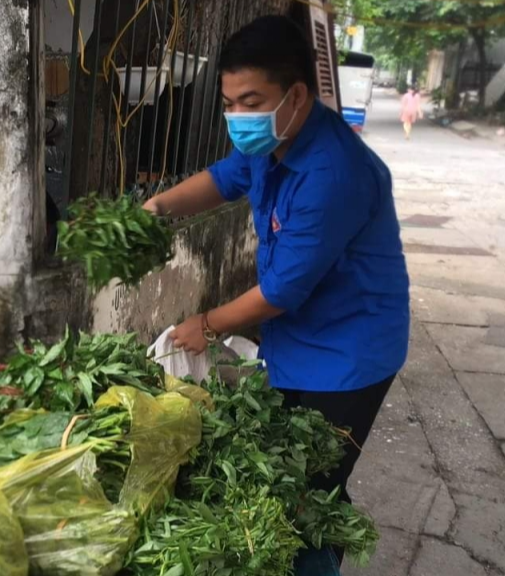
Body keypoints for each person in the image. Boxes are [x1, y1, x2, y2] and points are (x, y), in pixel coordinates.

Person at [143, 14, 410, 568]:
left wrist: (206, 325)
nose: (238, 116)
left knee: (308, 495)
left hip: (347, 357)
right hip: (298, 342)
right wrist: (157, 209)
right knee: (297, 478)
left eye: (251, 100)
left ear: (295, 95)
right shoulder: (273, 141)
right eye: (229, 102)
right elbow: (222, 179)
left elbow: (281, 291)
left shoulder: (333, 173)